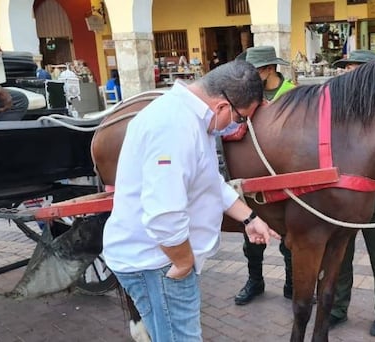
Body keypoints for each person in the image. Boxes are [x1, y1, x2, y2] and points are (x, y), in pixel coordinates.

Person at [102, 60, 281, 341]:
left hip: (163, 261)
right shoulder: (174, 127)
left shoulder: (192, 119)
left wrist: (249, 218)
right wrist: (184, 263)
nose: (236, 125)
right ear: (222, 106)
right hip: (158, 263)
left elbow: (210, 180)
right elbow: (164, 215)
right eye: (239, 118)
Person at [329, 49, 375, 337]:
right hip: (344, 198)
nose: (349, 74)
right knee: (341, 255)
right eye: (347, 69)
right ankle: (337, 308)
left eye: (354, 69)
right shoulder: (340, 108)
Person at [232, 46, 296, 305]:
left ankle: (292, 285)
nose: (248, 75)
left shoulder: (292, 94)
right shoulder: (246, 94)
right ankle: (255, 281)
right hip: (252, 173)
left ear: (269, 69)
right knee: (252, 234)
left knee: (288, 237)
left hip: (284, 175)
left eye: (254, 70)